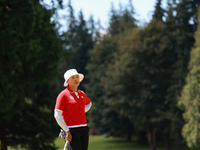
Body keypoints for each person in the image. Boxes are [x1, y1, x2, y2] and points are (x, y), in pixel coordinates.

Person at [54, 69, 92, 150]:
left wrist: (81, 111)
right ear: (67, 80)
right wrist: (67, 131)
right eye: (73, 77)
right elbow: (57, 115)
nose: (76, 79)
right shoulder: (63, 95)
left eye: (77, 77)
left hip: (83, 128)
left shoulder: (82, 93)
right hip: (71, 130)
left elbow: (89, 103)